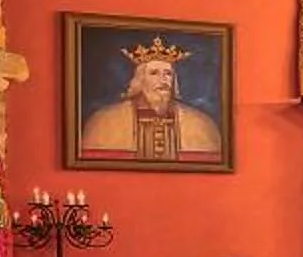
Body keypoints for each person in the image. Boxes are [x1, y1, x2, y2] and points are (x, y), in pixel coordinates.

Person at [78, 36, 224, 163]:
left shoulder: (202, 124)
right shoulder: (105, 121)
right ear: (140, 80)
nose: (163, 80)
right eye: (154, 73)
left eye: (168, 73)